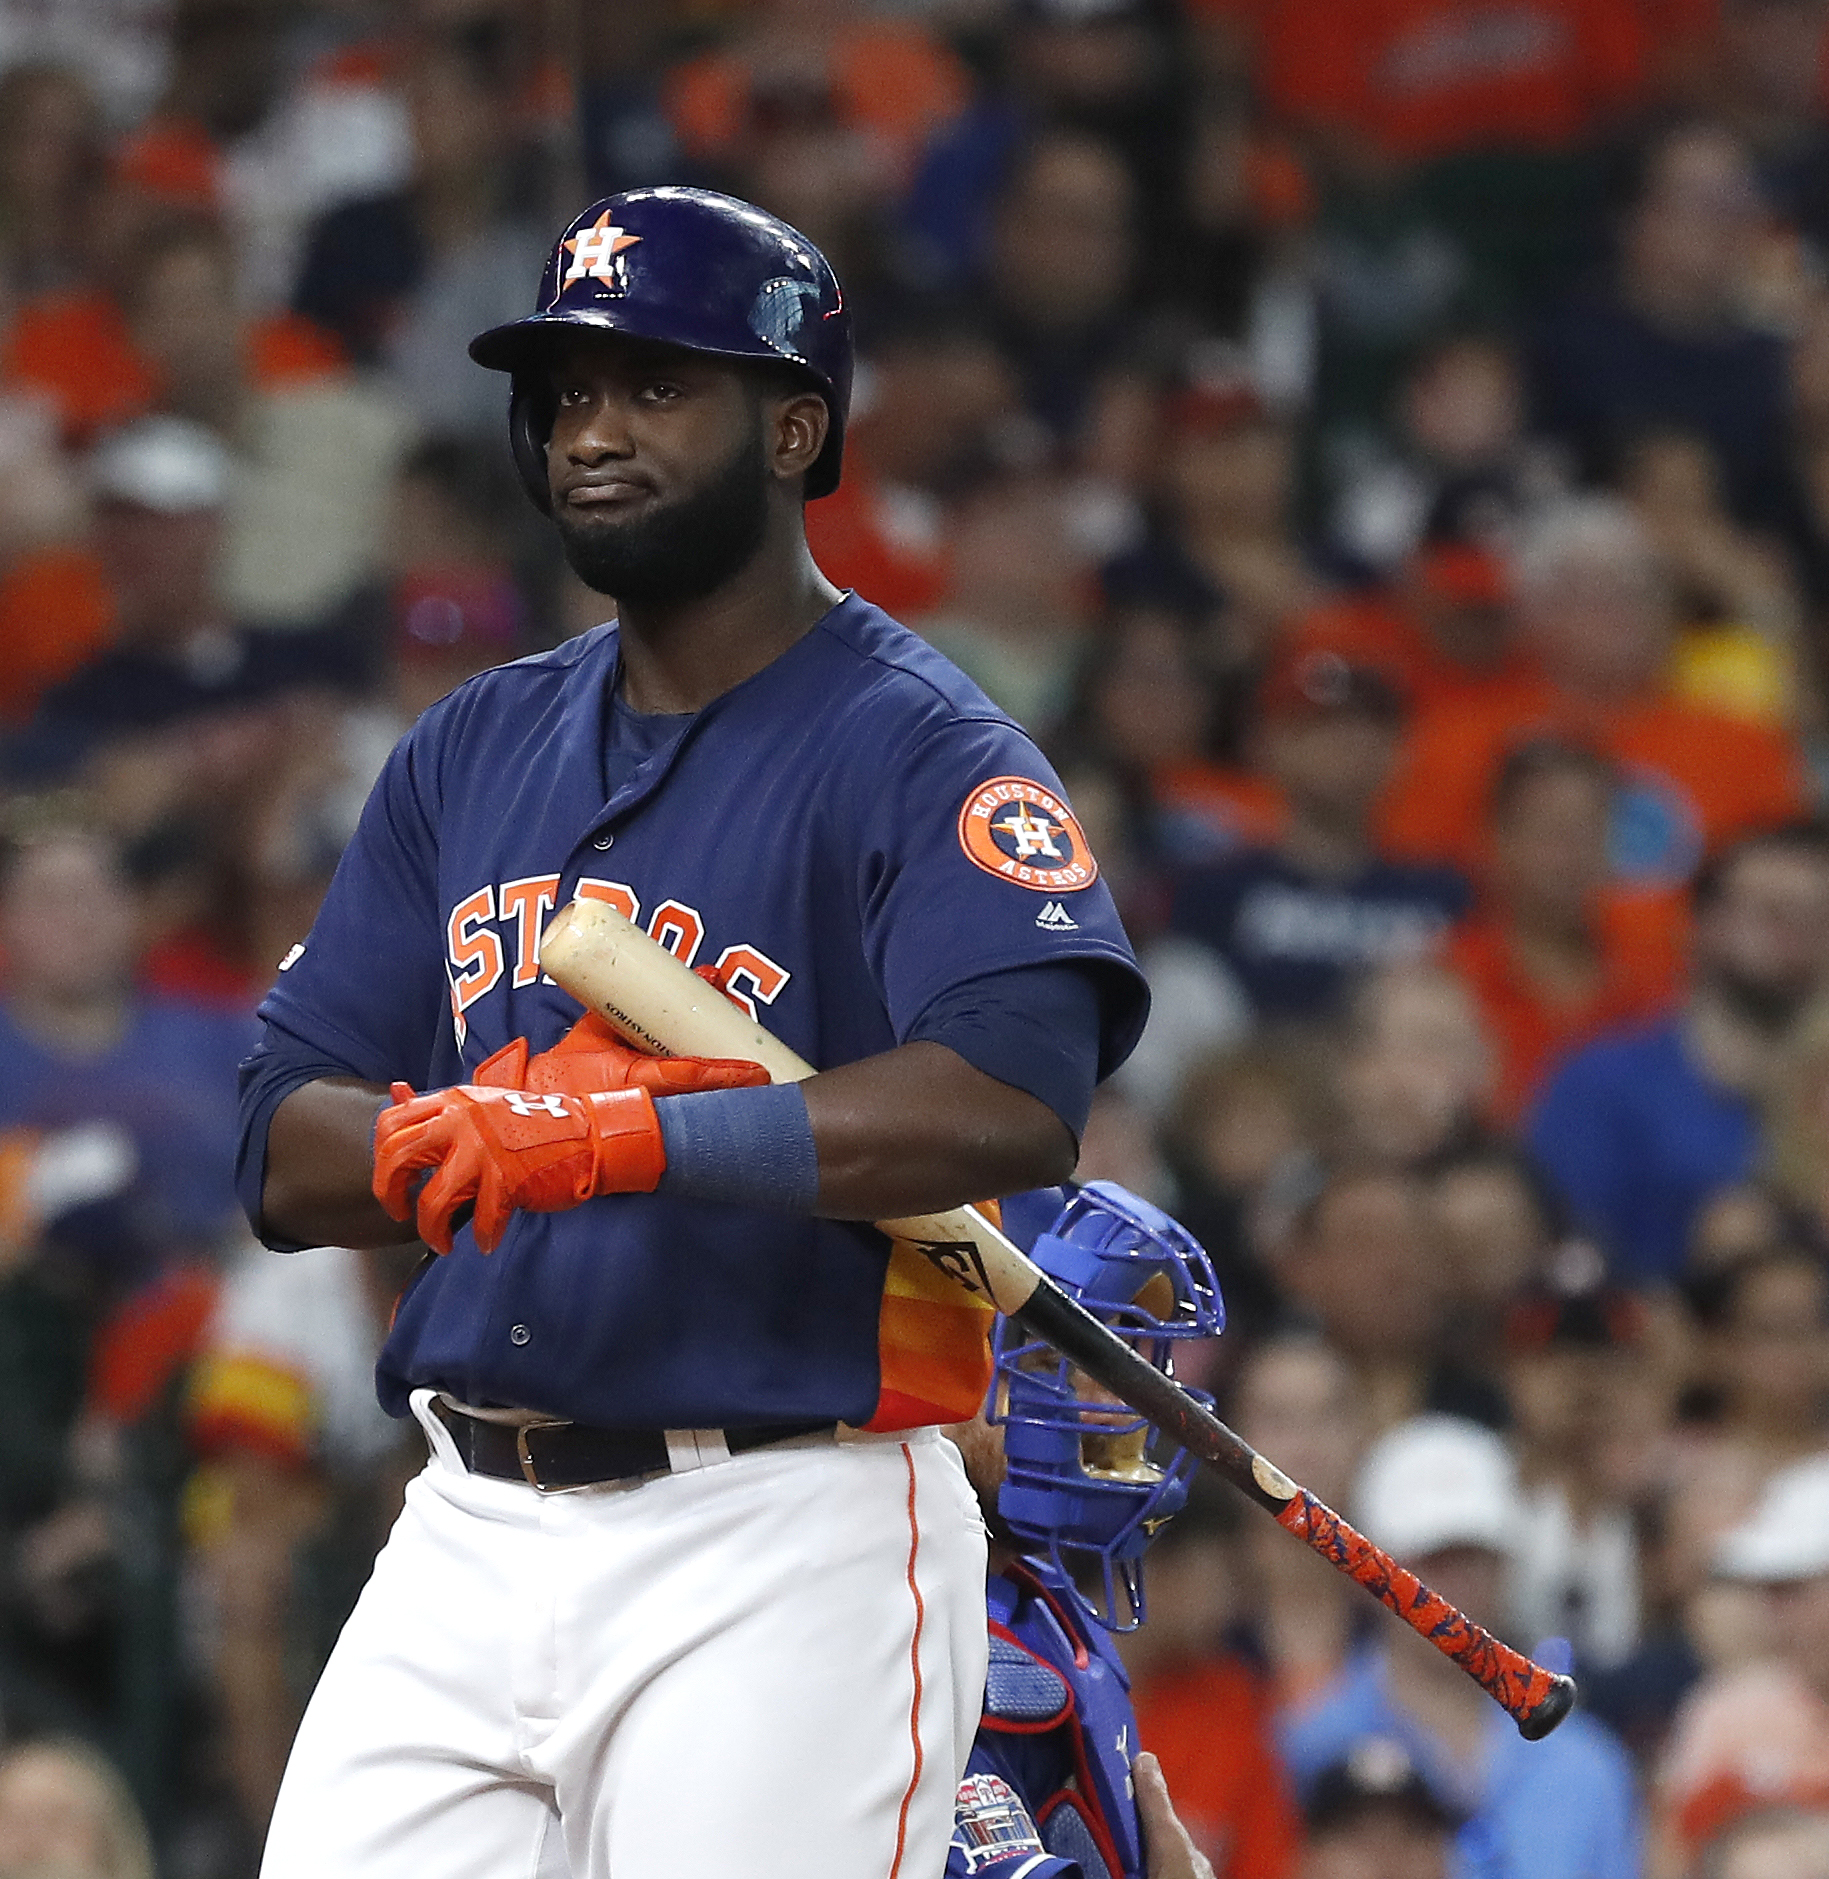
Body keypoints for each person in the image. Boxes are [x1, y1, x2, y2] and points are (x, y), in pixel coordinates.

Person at [236, 187, 1148, 1879]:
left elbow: (1014, 1093)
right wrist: (463, 1128)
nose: (591, 431)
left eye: (653, 387)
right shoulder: (468, 745)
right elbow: (280, 1134)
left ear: (794, 425)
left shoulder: (922, 747)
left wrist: (626, 1135)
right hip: (464, 1518)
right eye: (566, 393)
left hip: (780, 1520)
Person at [943, 1179, 1287, 1879]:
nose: (1105, 1412)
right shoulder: (886, 1623)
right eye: (1048, 1364)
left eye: (1115, 1368)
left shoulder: (1042, 1602)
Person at [1278, 1416, 1643, 1879]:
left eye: (1473, 1557)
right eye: (1427, 1561)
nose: (1448, 1592)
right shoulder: (1305, 1745)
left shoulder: (1588, 1768)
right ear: (1366, 1577)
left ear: (1506, 1567)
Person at [1529, 823, 1829, 1284]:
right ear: (1702, 925)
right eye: (1775, 914)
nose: (1800, 937)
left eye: (1820, 917)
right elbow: (1567, 1257)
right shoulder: (1603, 1083)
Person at [1167, 650, 1469, 1025]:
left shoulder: (1446, 895)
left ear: (1399, 754)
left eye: (1370, 728)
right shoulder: (1213, 892)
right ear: (1269, 745)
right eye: (1321, 727)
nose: (1349, 745)